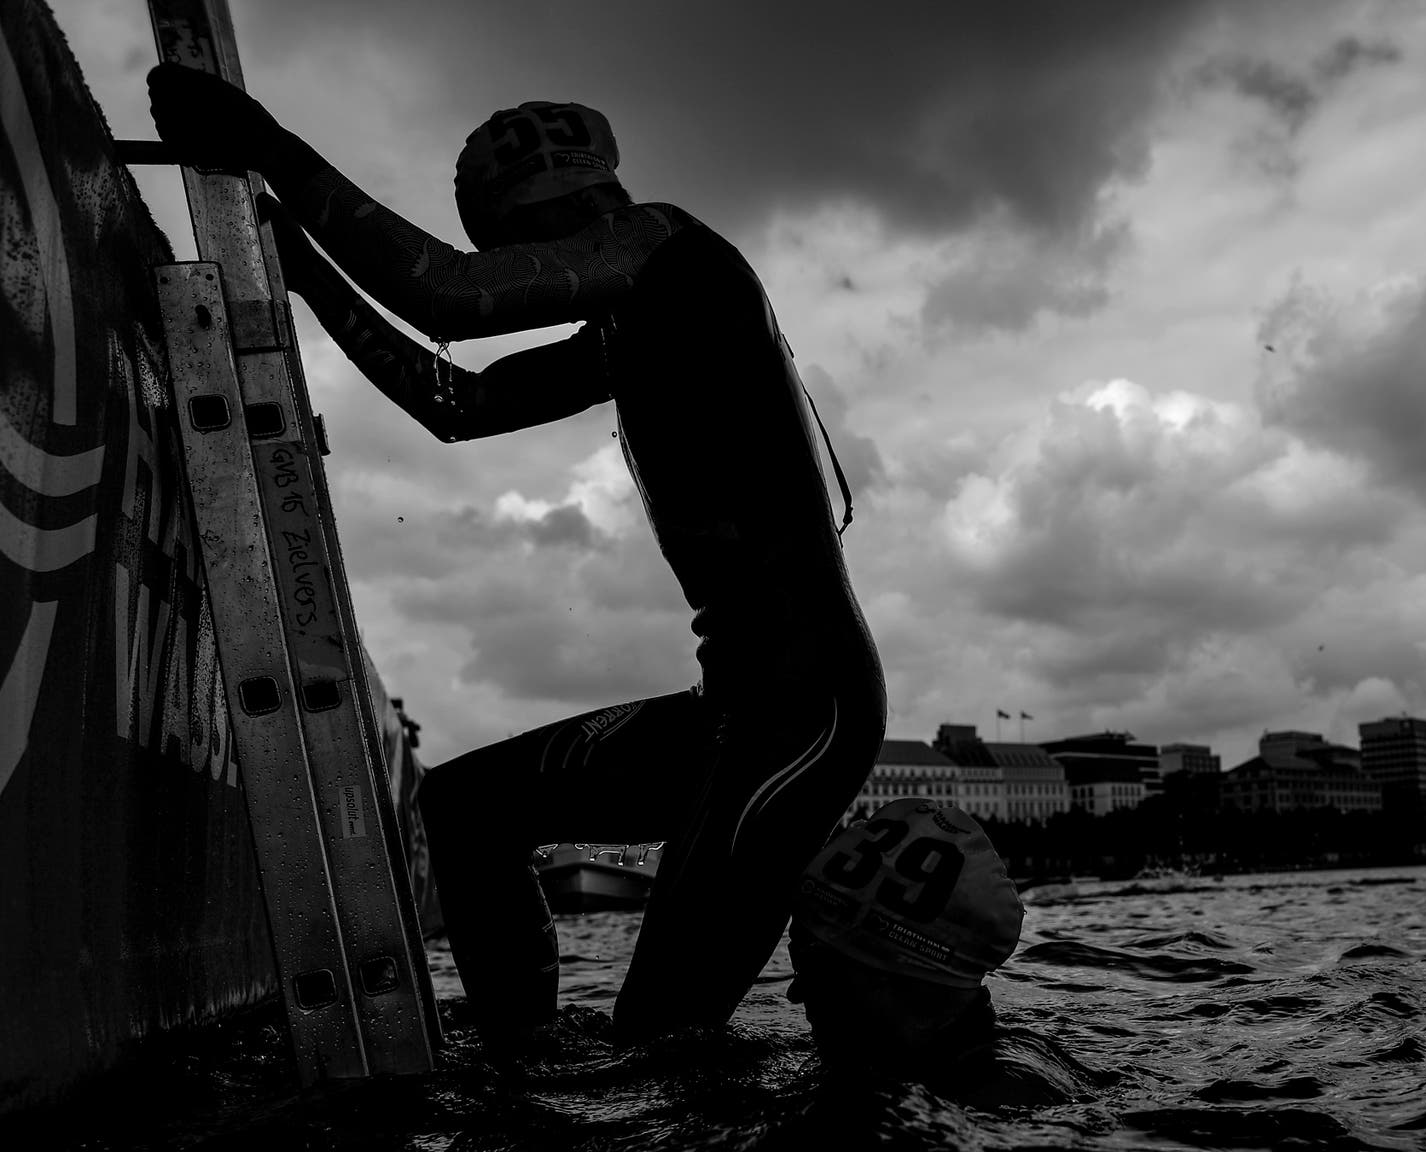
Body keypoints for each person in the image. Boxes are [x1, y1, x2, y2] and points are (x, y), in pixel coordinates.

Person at [146, 66, 887, 1052]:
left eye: (523, 248)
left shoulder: (670, 247)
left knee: (663, 1038)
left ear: (568, 205)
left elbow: (447, 295)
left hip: (802, 710)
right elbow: (457, 403)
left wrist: (264, 142)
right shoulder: (634, 323)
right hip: (741, 701)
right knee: (464, 809)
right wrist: (306, 270)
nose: (531, 271)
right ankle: (521, 1072)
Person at [785, 798, 1107, 1109]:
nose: (794, 992)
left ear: (895, 977)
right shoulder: (957, 1078)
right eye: (797, 958)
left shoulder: (993, 1100)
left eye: (815, 968)